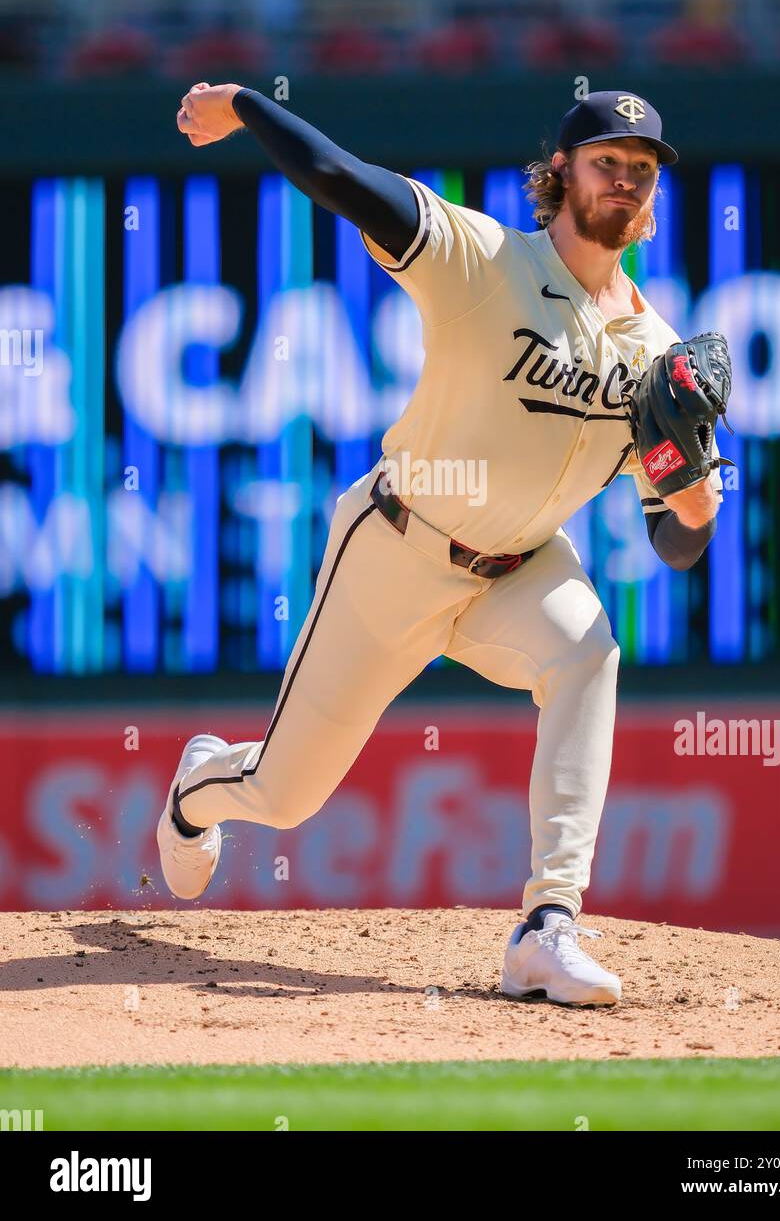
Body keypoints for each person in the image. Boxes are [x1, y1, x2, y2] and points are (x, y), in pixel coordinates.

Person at [158, 85, 723, 1007]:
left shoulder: (654, 353)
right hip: (399, 548)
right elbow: (343, 178)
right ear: (562, 175)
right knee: (284, 797)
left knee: (589, 654)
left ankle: (548, 929)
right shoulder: (484, 259)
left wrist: (694, 497)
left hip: (521, 567)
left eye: (643, 168)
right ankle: (197, 786)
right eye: (607, 160)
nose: (625, 178)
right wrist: (247, 106)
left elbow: (675, 542)